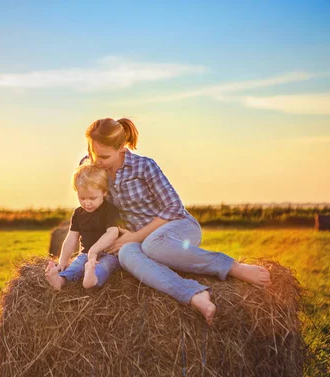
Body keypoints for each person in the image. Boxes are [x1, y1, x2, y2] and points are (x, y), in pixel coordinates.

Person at [83, 117, 271, 325]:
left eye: (104, 156)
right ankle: (193, 294)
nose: (97, 161)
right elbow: (94, 208)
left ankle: (232, 267)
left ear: (121, 147)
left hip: (176, 227)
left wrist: (135, 235)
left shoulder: (144, 166)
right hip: (138, 241)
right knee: (127, 254)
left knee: (152, 245)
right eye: (93, 153)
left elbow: (173, 207)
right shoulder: (92, 170)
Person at [45, 162, 122, 290]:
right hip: (85, 254)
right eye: (82, 198)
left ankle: (92, 278)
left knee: (104, 267)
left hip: (109, 254)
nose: (87, 203)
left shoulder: (110, 210)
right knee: (76, 266)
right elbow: (71, 238)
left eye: (92, 198)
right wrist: (63, 261)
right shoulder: (78, 213)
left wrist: (94, 250)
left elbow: (112, 233)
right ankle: (60, 280)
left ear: (104, 192)